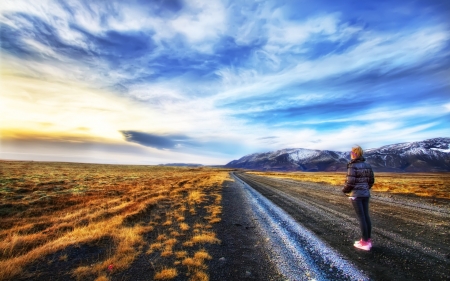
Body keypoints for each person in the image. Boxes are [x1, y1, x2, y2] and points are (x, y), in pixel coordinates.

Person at [342, 145, 375, 251]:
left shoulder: (353, 166)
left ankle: (365, 243)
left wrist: (345, 190)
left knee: (361, 218)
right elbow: (371, 181)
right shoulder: (367, 165)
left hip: (356, 194)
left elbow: (350, 182)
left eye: (351, 152)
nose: (350, 154)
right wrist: (365, 188)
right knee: (366, 217)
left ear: (355, 154)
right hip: (365, 194)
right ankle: (367, 240)